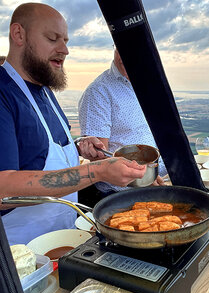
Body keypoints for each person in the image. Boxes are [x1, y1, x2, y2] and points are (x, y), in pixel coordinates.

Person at [0, 3, 147, 245]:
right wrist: (97, 171)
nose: (64, 50)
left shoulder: (43, 90)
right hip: (21, 252)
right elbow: (4, 188)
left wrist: (78, 147)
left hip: (63, 237)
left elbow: (41, 151)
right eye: (52, 38)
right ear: (19, 35)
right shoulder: (4, 93)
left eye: (65, 40)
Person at [78, 48, 167, 199]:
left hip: (158, 180)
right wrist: (143, 179)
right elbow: (99, 157)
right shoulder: (99, 91)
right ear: (114, 47)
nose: (128, 56)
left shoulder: (147, 83)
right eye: (121, 48)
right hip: (123, 193)